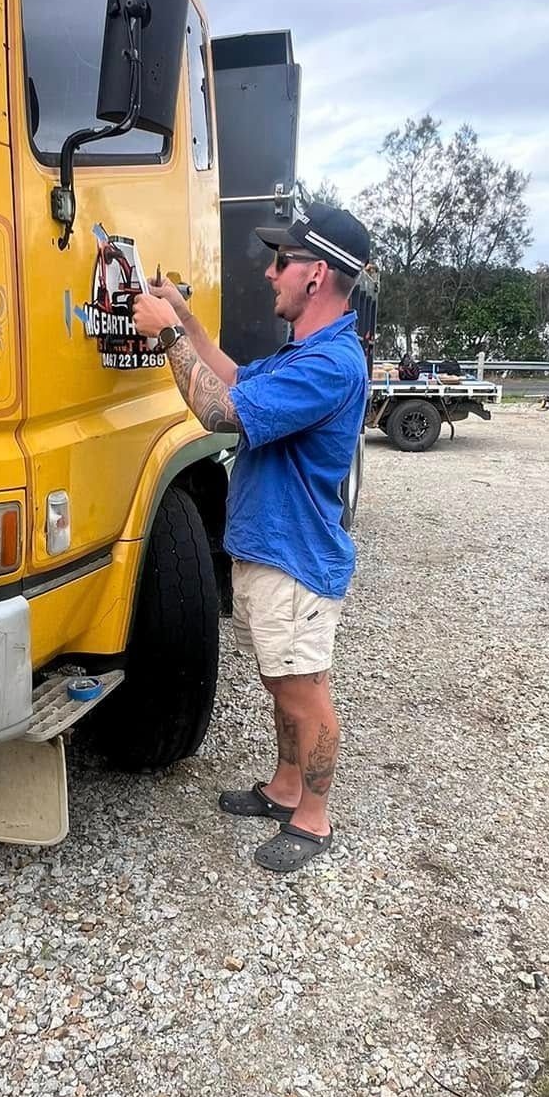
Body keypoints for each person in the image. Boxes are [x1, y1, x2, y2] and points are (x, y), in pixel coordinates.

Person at [130, 195, 371, 872]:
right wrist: (185, 317)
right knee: (279, 679)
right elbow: (233, 376)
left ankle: (315, 820)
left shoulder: (330, 365)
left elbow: (216, 408)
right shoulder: (307, 353)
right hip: (271, 549)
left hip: (295, 557)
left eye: (281, 261)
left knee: (304, 688)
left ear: (315, 275)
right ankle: (285, 787)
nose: (269, 273)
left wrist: (166, 337)